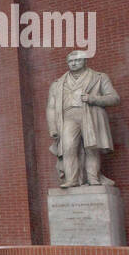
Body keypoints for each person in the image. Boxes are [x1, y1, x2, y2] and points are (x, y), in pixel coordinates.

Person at [46, 50, 119, 188]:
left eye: (77, 60)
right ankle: (72, 179)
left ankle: (93, 178)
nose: (73, 63)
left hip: (90, 115)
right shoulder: (57, 84)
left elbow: (114, 98)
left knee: (91, 148)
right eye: (70, 61)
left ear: (85, 61)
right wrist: (53, 127)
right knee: (68, 148)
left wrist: (93, 98)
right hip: (68, 118)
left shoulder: (99, 77)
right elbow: (51, 107)